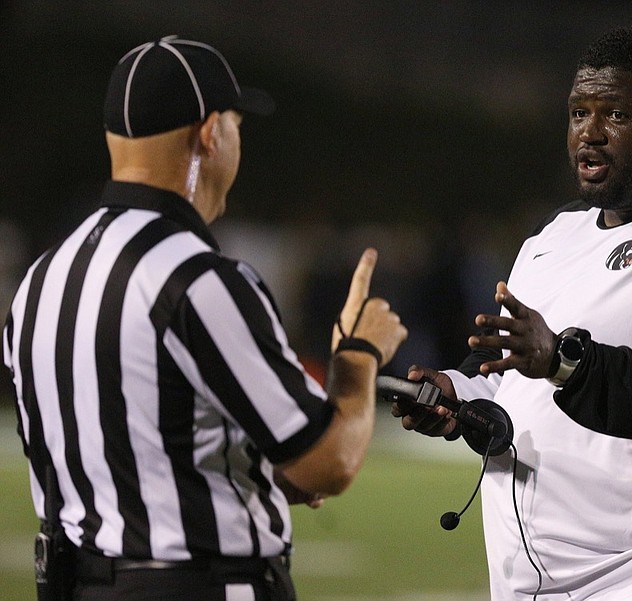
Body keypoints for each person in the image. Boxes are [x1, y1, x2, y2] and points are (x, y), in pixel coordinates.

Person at [391, 26, 632, 601]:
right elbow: (512, 376)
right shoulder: (554, 235)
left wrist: (562, 361)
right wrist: (454, 395)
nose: (590, 135)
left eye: (616, 116)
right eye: (579, 113)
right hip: (534, 584)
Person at [3, 35, 407, 601]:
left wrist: (254, 475)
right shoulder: (198, 279)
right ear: (210, 132)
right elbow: (328, 464)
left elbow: (110, 459)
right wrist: (358, 356)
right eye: (237, 127)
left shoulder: (42, 281)